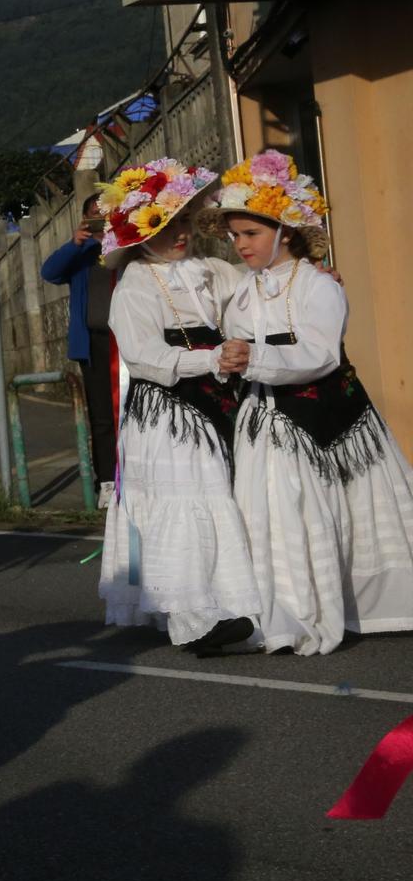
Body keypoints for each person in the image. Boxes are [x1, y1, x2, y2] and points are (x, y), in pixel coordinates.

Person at [217, 151, 413, 655]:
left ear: (286, 231)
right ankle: (283, 612)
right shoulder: (241, 290)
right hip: (267, 421)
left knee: (344, 508)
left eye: (251, 234)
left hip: (332, 417)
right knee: (275, 512)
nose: (241, 245)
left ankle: (361, 606)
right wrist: (232, 356)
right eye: (235, 235)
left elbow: (321, 354)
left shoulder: (319, 285)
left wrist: (252, 356)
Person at [94, 159, 261, 654]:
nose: (180, 234)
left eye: (184, 221)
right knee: (185, 500)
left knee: (222, 497)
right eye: (166, 226)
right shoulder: (137, 286)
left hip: (217, 400)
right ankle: (193, 621)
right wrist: (210, 358)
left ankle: (235, 606)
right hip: (167, 413)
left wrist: (305, 275)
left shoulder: (213, 272)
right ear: (140, 235)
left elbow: (256, 300)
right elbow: (144, 358)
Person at [40, 195, 118, 488]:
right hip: (94, 344)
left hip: (127, 340)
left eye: (107, 213)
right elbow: (49, 272)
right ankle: (108, 479)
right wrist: (78, 242)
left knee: (133, 409)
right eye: (96, 214)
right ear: (85, 218)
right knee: (101, 415)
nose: (102, 219)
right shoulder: (81, 253)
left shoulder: (127, 246)